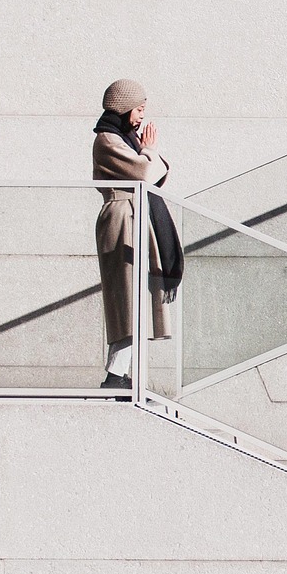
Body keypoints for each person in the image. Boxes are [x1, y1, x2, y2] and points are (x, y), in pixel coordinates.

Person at [92, 79, 183, 390]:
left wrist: (146, 151)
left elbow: (158, 174)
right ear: (123, 107)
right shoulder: (107, 140)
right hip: (121, 218)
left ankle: (121, 375)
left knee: (135, 300)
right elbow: (145, 171)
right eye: (139, 108)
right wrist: (148, 150)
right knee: (126, 298)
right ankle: (116, 377)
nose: (142, 115)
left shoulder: (124, 138)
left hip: (135, 216)